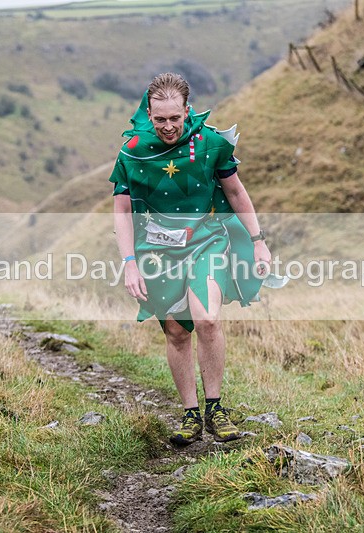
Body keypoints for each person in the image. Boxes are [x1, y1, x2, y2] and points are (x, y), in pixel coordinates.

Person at [110, 72, 271, 445]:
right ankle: (189, 415)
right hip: (157, 251)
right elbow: (121, 211)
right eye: (160, 119)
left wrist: (258, 240)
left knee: (208, 319)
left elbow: (235, 191)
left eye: (175, 118)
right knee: (177, 331)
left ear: (187, 110)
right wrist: (130, 263)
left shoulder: (211, 143)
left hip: (206, 242)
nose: (168, 126)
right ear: (148, 114)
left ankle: (215, 409)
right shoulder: (132, 151)